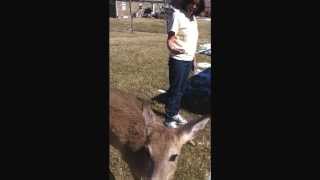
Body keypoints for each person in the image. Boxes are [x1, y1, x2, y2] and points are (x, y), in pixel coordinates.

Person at [164, 0, 205, 128]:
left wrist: (193, 59)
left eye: (197, 5)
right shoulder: (178, 15)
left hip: (188, 59)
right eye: (192, 3)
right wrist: (171, 47)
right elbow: (170, 38)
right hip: (178, 60)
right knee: (175, 89)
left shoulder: (193, 18)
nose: (193, 6)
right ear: (186, 2)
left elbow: (192, 40)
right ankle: (169, 118)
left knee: (181, 89)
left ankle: (175, 113)